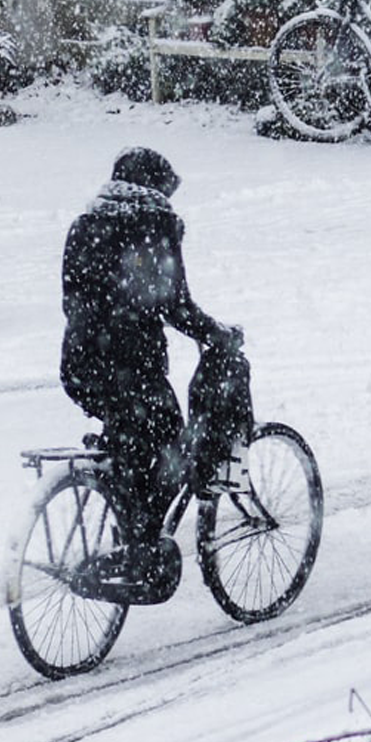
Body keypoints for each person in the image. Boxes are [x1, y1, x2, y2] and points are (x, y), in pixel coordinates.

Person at [60, 147, 242, 591]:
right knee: (173, 451)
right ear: (157, 186)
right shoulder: (153, 225)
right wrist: (216, 333)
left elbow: (72, 298)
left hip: (80, 363)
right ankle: (140, 546)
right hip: (131, 366)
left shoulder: (84, 225)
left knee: (132, 444)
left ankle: (130, 524)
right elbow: (173, 304)